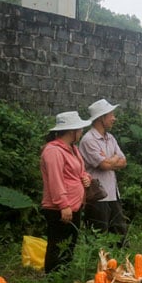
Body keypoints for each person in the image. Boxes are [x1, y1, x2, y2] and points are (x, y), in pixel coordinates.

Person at [41, 111, 92, 273]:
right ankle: (53, 278)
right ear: (72, 131)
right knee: (58, 245)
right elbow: (55, 180)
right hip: (60, 208)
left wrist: (86, 178)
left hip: (74, 206)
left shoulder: (73, 149)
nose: (81, 132)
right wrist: (63, 205)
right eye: (80, 129)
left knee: (69, 244)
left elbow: (80, 171)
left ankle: (63, 276)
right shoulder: (53, 151)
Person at [79, 98, 128, 242]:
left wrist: (108, 160)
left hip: (113, 193)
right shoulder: (89, 140)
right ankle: (98, 263)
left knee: (120, 235)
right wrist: (112, 159)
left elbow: (124, 161)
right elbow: (104, 165)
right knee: (98, 236)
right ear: (101, 118)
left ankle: (119, 263)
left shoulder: (110, 138)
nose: (114, 118)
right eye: (111, 115)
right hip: (97, 195)